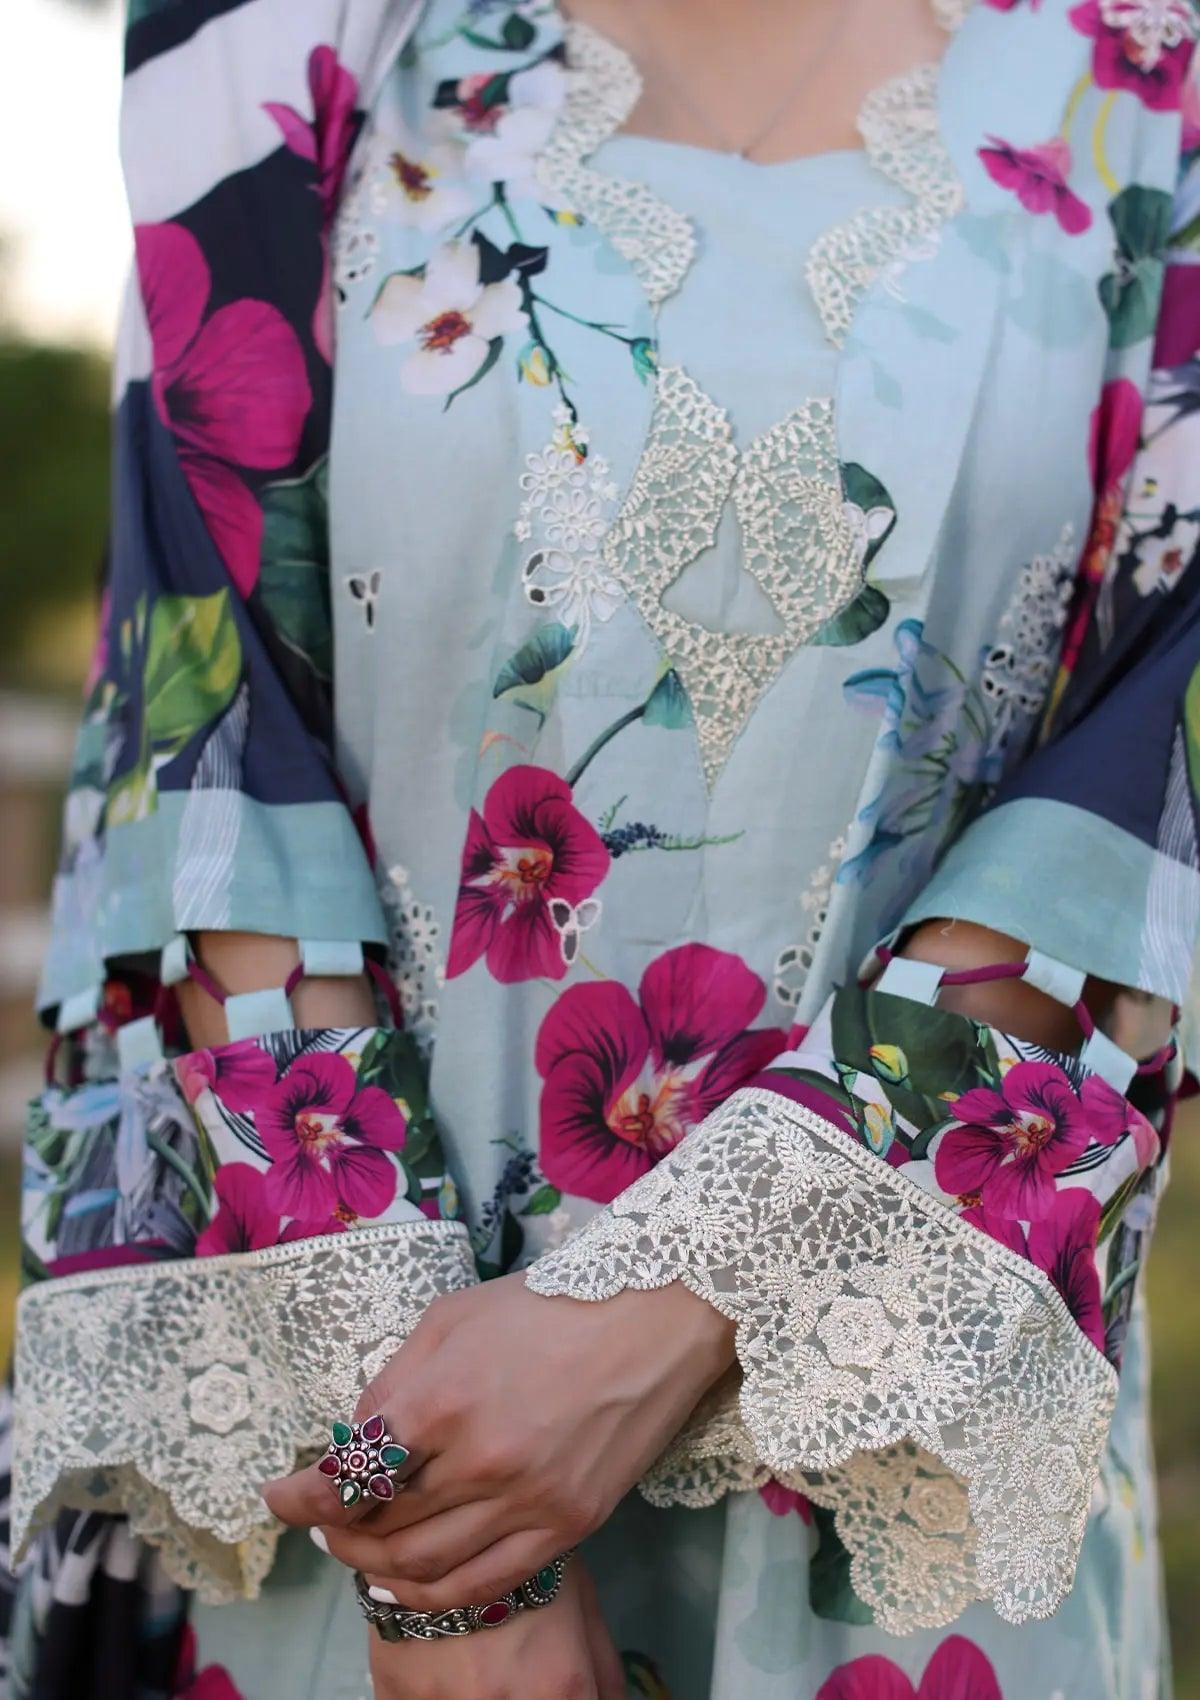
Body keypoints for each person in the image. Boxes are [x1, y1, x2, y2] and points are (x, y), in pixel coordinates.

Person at [5, 0, 1198, 1695]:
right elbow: (197, 736)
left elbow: (1170, 783)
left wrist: (682, 1311)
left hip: (901, 1440)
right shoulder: (270, 45)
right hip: (336, 1459)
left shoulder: (1154, 84)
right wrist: (435, 1558)